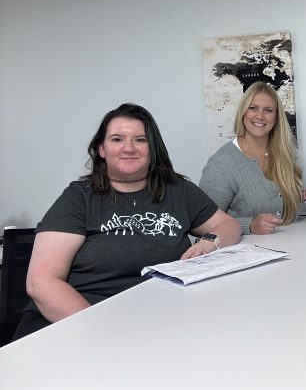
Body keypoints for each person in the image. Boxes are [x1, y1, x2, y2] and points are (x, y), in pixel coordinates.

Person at [14, 103, 242, 340]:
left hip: (158, 318)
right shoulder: (79, 197)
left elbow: (228, 225)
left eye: (140, 140)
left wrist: (210, 242)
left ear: (152, 148)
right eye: (117, 139)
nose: (129, 148)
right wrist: (103, 331)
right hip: (78, 319)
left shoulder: (178, 189)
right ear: (101, 149)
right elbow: (41, 282)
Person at [200, 81, 306, 235]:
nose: (260, 116)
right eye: (253, 108)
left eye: (268, 110)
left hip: (289, 245)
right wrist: (249, 225)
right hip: (244, 253)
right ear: (243, 112)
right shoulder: (220, 164)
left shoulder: (283, 152)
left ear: (276, 117)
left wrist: (293, 195)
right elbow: (203, 222)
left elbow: (265, 197)